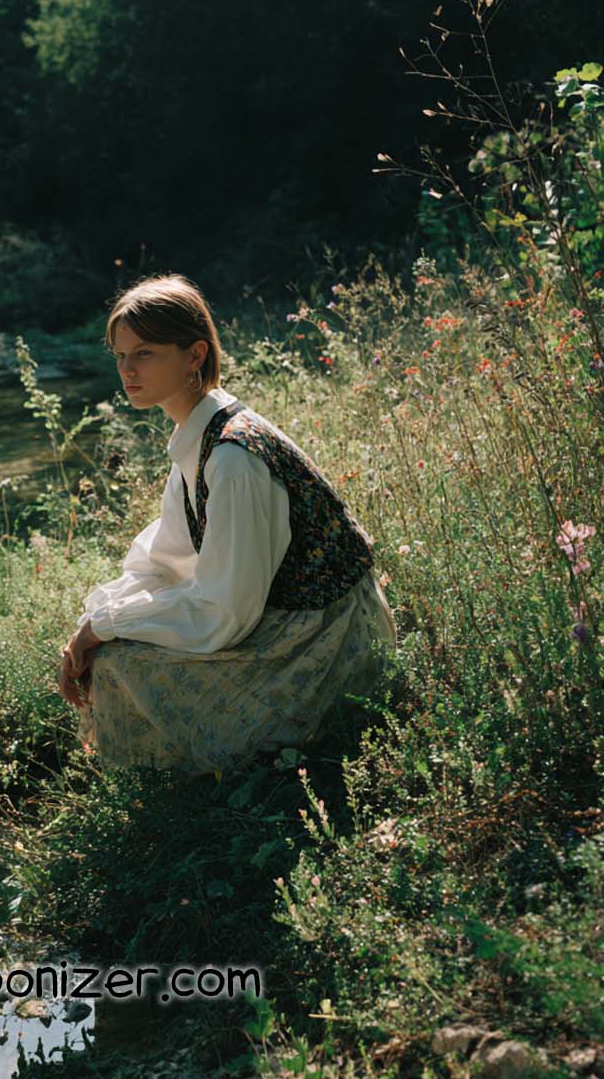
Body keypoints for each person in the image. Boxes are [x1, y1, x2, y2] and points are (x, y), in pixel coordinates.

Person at [58, 272, 398, 773]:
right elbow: (166, 558)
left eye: (145, 352)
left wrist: (105, 631)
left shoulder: (233, 458)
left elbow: (224, 614)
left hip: (326, 639)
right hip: (280, 615)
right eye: (121, 355)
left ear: (195, 355)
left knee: (119, 662)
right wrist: (95, 623)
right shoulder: (198, 436)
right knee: (113, 646)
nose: (127, 369)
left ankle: (186, 794)